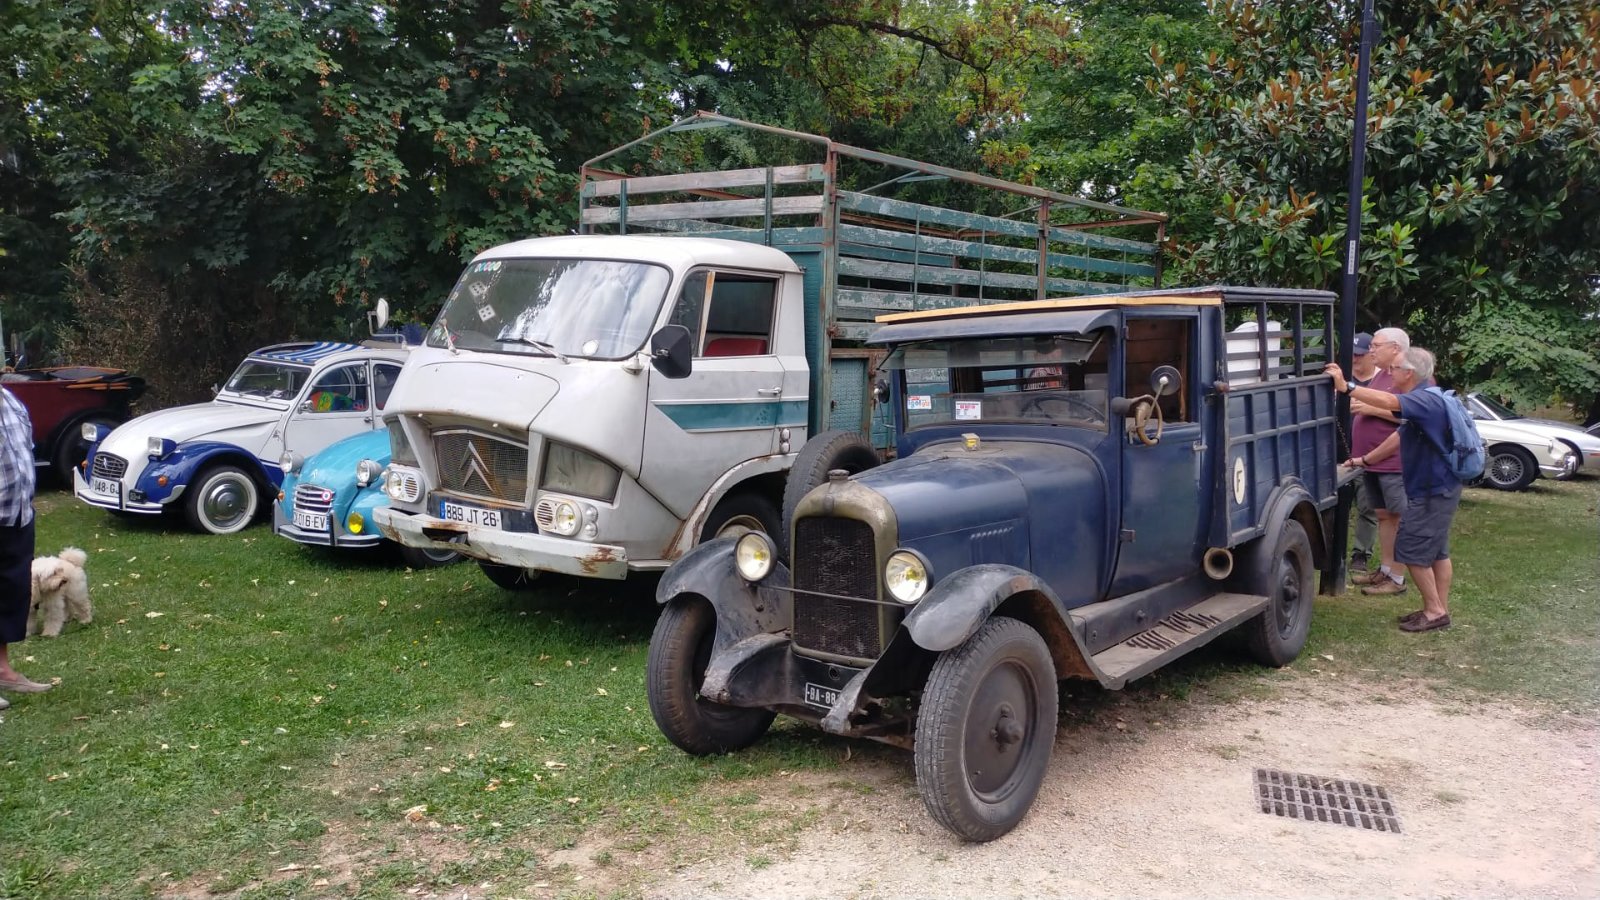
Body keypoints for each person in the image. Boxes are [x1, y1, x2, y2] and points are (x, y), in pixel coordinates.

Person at [1326, 348, 1461, 632]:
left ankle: (1435, 611)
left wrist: (1346, 387)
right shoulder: (1427, 399)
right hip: (1438, 488)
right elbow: (1398, 437)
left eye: (1395, 368)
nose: (1390, 372)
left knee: (1410, 549)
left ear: (1409, 373)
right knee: (1437, 552)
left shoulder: (1422, 399)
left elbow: (1388, 401)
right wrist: (1365, 460)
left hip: (1432, 490)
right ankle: (1438, 609)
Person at [1347, 327, 1411, 596]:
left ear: (1395, 348)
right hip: (1372, 462)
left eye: (1376, 345)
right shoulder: (1383, 374)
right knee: (1384, 516)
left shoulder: (1410, 374)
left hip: (1394, 462)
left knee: (1398, 518)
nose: (1371, 350)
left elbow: (1411, 416)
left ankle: (1397, 577)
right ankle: (1385, 570)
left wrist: (1371, 409)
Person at [1, 385, 53, 708]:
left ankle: (2, 669)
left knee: (9, 594)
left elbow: (25, 449)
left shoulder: (9, 399)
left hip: (16, 513)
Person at [1347, 333, 1379, 572]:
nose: (1355, 359)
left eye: (1359, 354)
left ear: (1371, 355)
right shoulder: (1340, 379)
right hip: (1340, 451)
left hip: (1369, 454)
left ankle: (1361, 554)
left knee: (1368, 507)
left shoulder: (1381, 381)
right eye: (1352, 354)